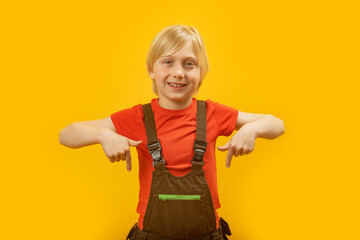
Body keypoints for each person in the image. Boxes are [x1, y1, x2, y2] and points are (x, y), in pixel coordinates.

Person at [59, 25, 285, 240]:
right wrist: (103, 135)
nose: (178, 72)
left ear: (201, 72)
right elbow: (66, 134)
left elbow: (277, 124)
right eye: (167, 62)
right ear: (151, 70)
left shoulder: (212, 113)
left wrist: (252, 129)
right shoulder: (138, 118)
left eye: (189, 64)